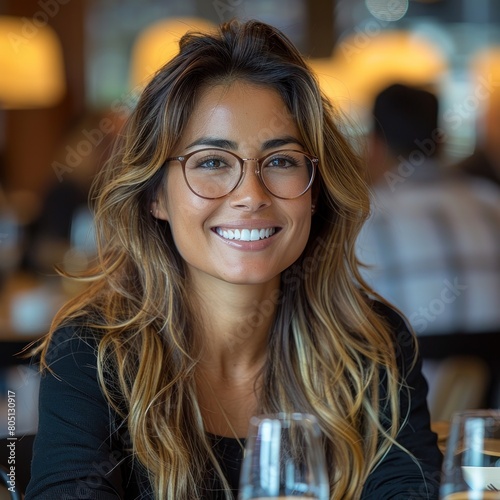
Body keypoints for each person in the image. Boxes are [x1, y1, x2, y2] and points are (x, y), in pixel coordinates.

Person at [26, 20, 442, 499]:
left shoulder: (373, 345)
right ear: (155, 196)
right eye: (211, 162)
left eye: (282, 160)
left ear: (315, 191)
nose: (250, 195)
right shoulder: (92, 354)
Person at [356, 83, 500, 413]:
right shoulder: (493, 204)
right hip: (491, 435)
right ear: (443, 142)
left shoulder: (363, 221)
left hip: (398, 427)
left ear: (373, 147)